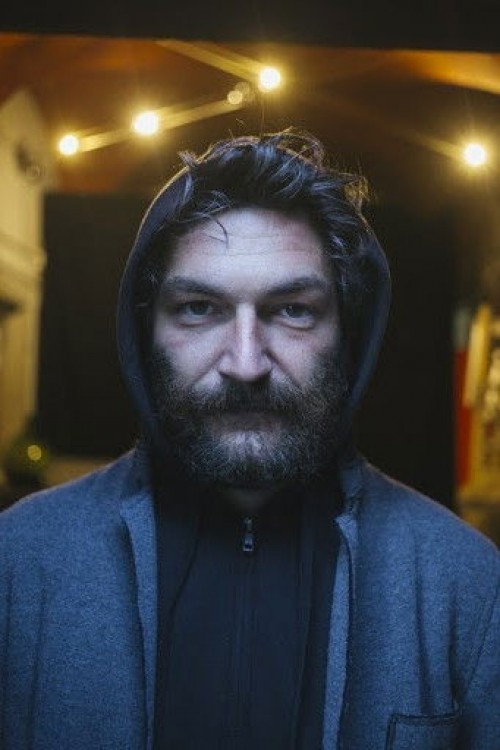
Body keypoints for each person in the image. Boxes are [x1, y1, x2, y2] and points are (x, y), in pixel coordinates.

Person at [1, 131, 499, 750]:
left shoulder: (466, 581)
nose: (245, 363)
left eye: (292, 310)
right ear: (145, 331)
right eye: (198, 308)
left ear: (347, 333)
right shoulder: (18, 561)